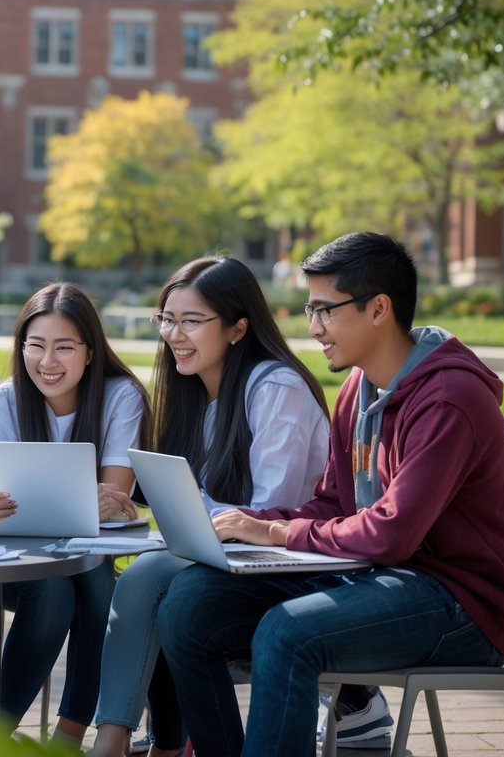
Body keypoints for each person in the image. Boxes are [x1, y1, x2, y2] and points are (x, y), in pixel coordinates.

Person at [157, 233, 504, 757]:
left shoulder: (451, 399)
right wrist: (250, 522)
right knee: (190, 604)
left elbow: (391, 533)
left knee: (288, 633)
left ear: (378, 308)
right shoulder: (357, 391)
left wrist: (276, 531)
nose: (312, 328)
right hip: (379, 578)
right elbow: (335, 506)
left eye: (324, 311)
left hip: (467, 604)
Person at [91, 256, 331, 757]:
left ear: (238, 327)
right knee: (143, 574)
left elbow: (274, 509)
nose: (175, 334)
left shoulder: (276, 389)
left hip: (294, 565)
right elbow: (205, 504)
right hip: (232, 559)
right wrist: (137, 506)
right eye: (167, 319)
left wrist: (186, 515)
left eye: (192, 321)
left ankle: (131, 743)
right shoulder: (199, 395)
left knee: (153, 582)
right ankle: (131, 740)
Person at [0, 282, 148, 747]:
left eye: (63, 348)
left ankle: (65, 734)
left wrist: (41, 504)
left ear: (90, 352)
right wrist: (78, 503)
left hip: (87, 560)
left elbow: (114, 499)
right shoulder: (3, 401)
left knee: (88, 575)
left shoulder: (120, 396)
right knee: (57, 586)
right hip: (13, 564)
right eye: (35, 346)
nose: (47, 362)